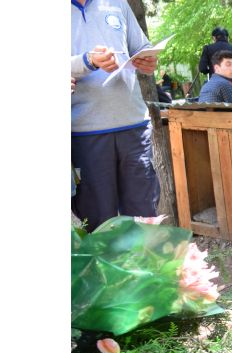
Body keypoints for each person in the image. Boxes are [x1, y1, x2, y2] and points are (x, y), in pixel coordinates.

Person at [71, 0, 161, 231]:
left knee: (143, 215)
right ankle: (105, 268)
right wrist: (86, 61)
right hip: (84, 131)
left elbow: (141, 47)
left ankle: (144, 266)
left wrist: (147, 60)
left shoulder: (117, 3)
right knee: (98, 220)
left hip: (134, 125)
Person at [198, 27, 232, 104]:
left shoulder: (208, 49)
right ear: (227, 38)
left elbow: (202, 68)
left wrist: (212, 71)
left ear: (214, 38)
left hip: (217, 88)